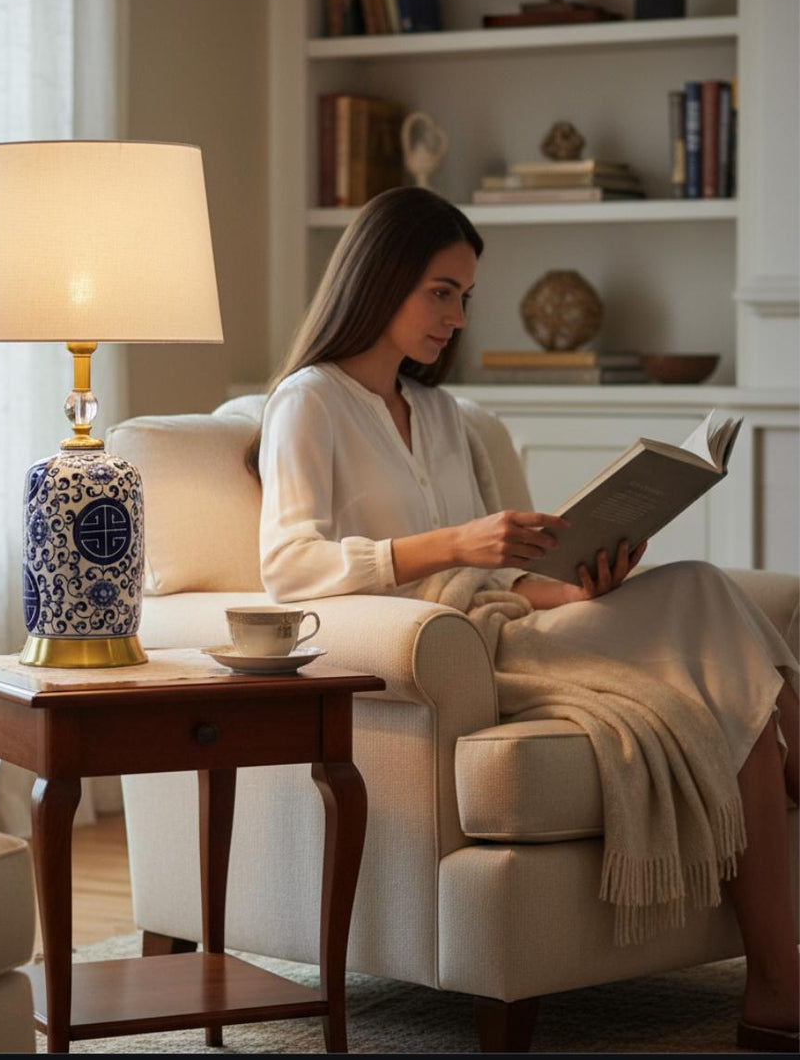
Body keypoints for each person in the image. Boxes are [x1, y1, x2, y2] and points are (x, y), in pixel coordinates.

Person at [249, 186, 799, 1052]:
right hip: (455, 652)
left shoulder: (443, 414)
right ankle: (777, 981)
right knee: (730, 650)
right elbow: (287, 567)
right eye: (441, 290)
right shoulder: (307, 402)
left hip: (514, 616)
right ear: (380, 277)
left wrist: (580, 583)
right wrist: (449, 544)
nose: (457, 316)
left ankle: (776, 983)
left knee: (697, 587)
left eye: (466, 297)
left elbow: (505, 571)